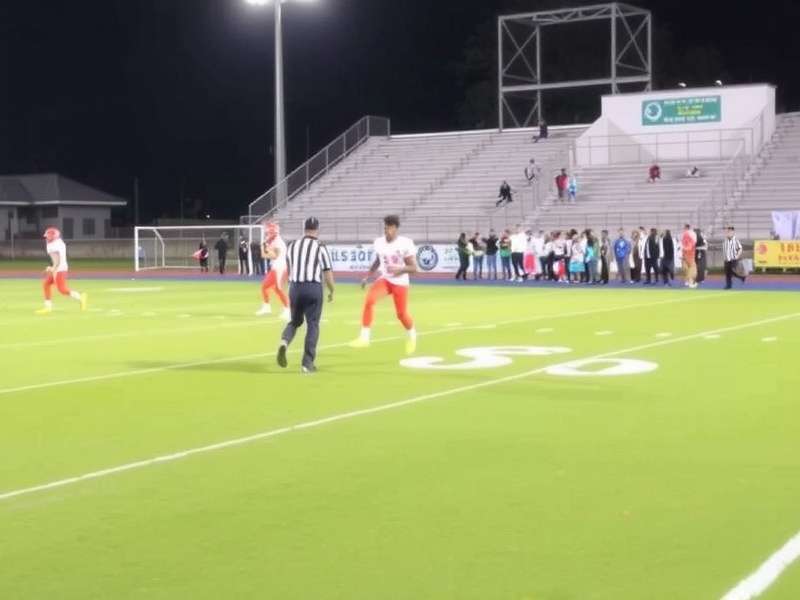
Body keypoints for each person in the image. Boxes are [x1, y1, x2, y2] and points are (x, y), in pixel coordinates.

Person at [351, 215, 418, 355]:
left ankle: (412, 335)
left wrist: (400, 269)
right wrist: (368, 276)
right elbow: (378, 259)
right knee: (369, 301)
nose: (387, 230)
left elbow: (413, 268)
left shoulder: (404, 243)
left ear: (396, 229)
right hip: (386, 280)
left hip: (400, 282)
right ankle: (364, 337)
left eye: (390, 228)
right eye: (385, 227)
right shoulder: (379, 242)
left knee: (401, 314)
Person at [276, 217, 335, 374]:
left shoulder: (293, 245)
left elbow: (289, 267)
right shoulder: (319, 246)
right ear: (317, 229)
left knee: (295, 321)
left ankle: (284, 341)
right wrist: (331, 290)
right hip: (313, 287)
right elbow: (327, 271)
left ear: (304, 229)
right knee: (313, 324)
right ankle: (307, 363)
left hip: (295, 288)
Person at [36, 227, 88, 315]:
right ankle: (48, 307)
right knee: (46, 284)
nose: (47, 238)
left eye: (49, 237)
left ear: (53, 237)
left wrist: (52, 269)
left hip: (60, 268)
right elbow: (57, 259)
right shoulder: (58, 242)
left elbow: (57, 261)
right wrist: (52, 268)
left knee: (62, 290)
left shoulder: (53, 245)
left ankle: (81, 297)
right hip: (60, 266)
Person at [256, 222, 291, 321]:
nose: (267, 235)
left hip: (280, 267)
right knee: (265, 286)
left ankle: (287, 310)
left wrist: (263, 249)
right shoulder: (274, 241)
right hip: (276, 267)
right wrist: (265, 247)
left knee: (278, 288)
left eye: (269, 232)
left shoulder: (278, 242)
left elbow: (273, 256)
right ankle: (267, 307)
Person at [681, 224, 698, 288]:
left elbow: (682, 245)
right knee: (692, 268)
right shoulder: (691, 234)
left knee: (686, 268)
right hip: (690, 253)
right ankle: (690, 282)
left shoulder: (683, 235)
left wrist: (682, 253)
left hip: (684, 254)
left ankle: (687, 281)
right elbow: (693, 243)